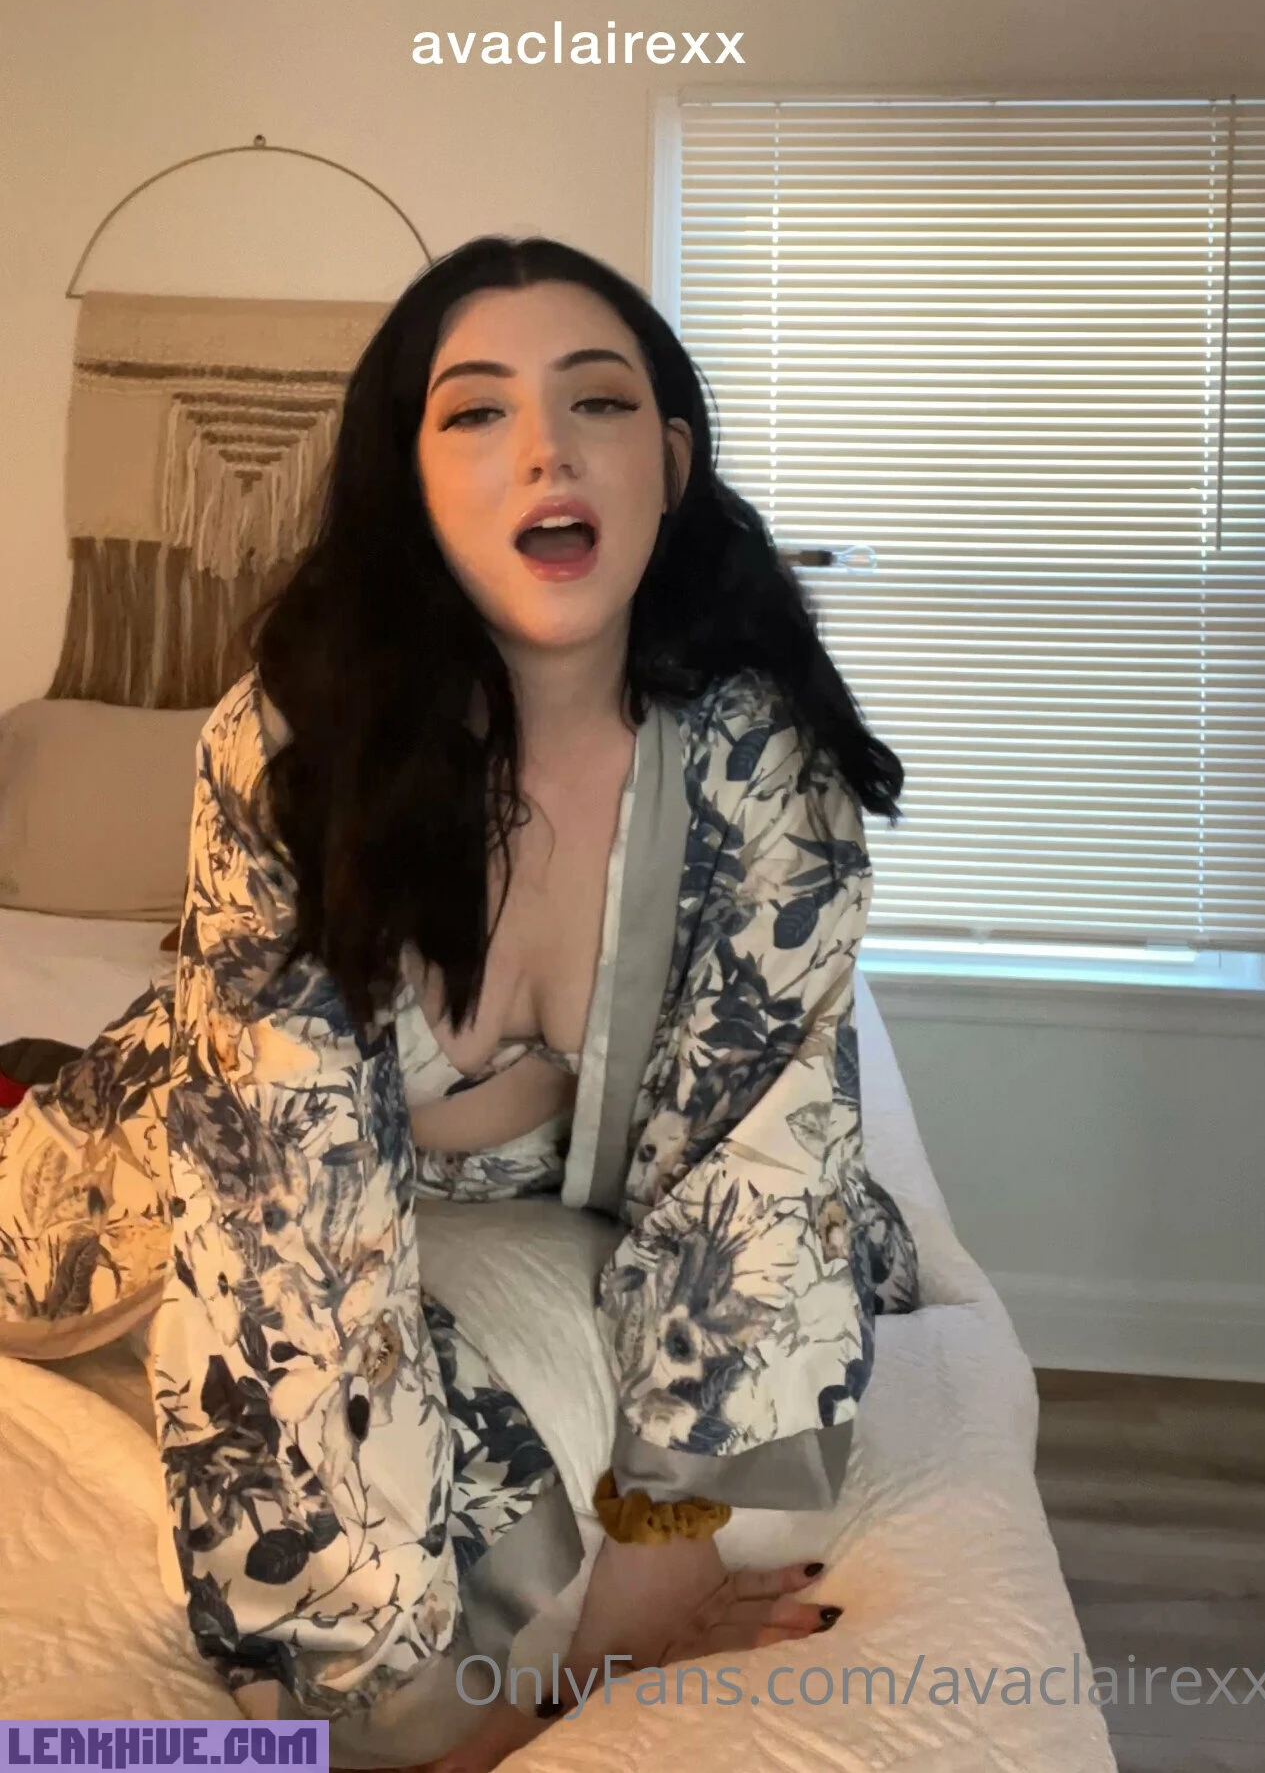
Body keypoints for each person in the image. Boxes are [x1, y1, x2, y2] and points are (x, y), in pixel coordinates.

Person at [0, 235, 919, 1772]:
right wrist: (398, 1706)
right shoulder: (290, 752)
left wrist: (646, 1579)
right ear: (408, 486)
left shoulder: (763, 767)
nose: (546, 448)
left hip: (489, 1193)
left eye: (596, 401)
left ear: (670, 461)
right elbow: (285, 1243)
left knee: (826, 1251)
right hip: (170, 1167)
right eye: (477, 411)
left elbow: (756, 1150)